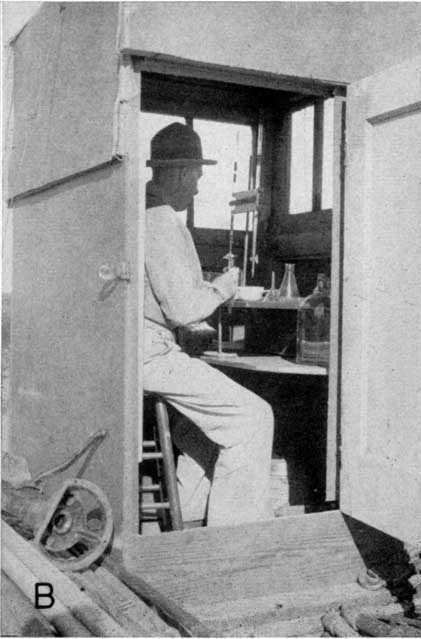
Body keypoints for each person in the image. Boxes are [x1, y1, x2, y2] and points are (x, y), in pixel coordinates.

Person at [143, 123, 274, 527]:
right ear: (182, 172)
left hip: (146, 347)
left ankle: (187, 526)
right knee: (254, 417)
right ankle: (231, 542)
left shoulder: (142, 211)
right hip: (151, 354)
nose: (197, 188)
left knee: (204, 429)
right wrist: (221, 289)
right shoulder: (161, 219)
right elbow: (183, 309)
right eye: (197, 177)